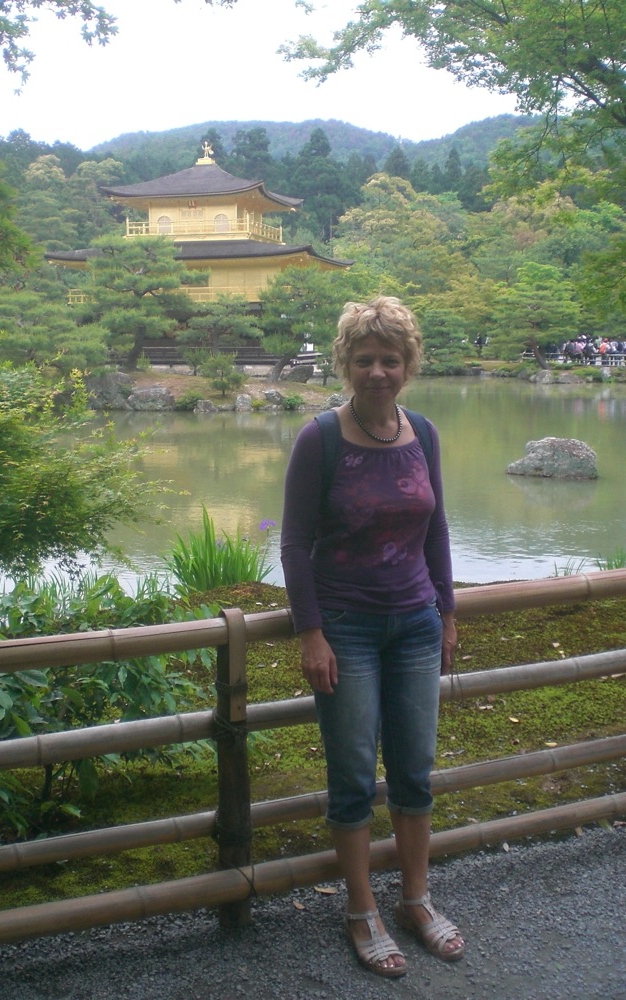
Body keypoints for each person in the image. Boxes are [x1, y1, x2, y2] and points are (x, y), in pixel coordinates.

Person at [280, 296, 464, 979]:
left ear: (409, 363)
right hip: (346, 629)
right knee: (354, 775)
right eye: (365, 359)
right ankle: (361, 910)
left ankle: (416, 899)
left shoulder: (424, 432)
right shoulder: (320, 438)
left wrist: (447, 613)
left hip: (415, 622)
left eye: (391, 359)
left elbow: (437, 529)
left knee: (415, 772)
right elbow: (296, 543)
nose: (378, 372)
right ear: (346, 364)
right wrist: (311, 634)